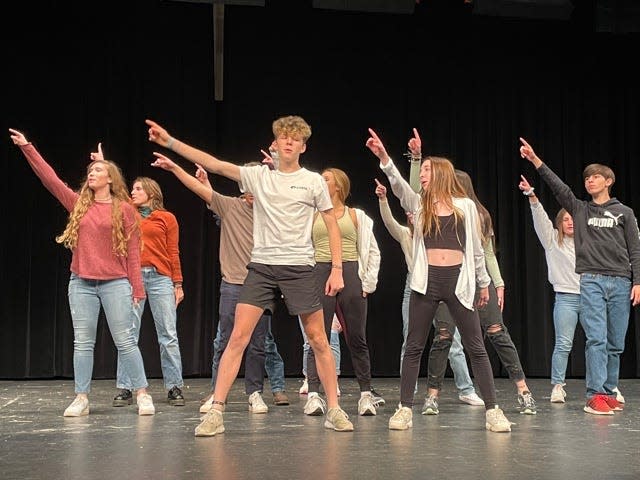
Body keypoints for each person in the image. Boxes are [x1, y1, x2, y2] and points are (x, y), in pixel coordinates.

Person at [147, 115, 353, 435]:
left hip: (299, 267)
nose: (288, 141)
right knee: (237, 338)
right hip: (262, 267)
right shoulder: (257, 176)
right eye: (283, 136)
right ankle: (216, 411)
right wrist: (171, 143)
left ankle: (335, 409)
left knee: (318, 340)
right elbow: (214, 164)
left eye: (294, 138)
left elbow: (330, 224)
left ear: (302, 146)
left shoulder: (313, 180)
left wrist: (337, 269)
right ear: (275, 142)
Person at [366, 128, 512, 432]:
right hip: (426, 282)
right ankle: (405, 408)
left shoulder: (466, 207)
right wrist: (384, 157)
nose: (422, 176)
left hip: (459, 282)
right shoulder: (420, 205)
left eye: (427, 171)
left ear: (442, 174)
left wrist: (484, 283)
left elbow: (475, 251)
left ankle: (493, 410)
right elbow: (398, 186)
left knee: (475, 347)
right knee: (414, 346)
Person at [10, 129, 155, 416]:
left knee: (125, 340)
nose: (91, 173)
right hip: (82, 284)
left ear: (110, 178)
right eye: (90, 170)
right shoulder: (79, 204)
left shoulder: (124, 209)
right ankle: (81, 397)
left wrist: (138, 290)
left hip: (115, 283)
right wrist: (28, 147)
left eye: (98, 169)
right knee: (83, 342)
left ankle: (142, 393)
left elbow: (134, 252)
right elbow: (49, 180)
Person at [149, 156, 290, 412]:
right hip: (233, 284)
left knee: (258, 343)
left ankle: (255, 393)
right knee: (224, 341)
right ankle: (217, 391)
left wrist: (277, 167)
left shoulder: (273, 211)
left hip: (262, 284)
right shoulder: (228, 206)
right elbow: (198, 188)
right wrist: (176, 168)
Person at [519, 138, 639, 415]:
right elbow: (558, 187)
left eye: (595, 177)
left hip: (621, 281)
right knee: (596, 338)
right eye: (587, 178)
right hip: (592, 280)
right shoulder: (581, 210)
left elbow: (635, 249)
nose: (590, 181)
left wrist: (637, 282)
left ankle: (609, 391)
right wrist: (536, 160)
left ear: (608, 181)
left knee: (615, 343)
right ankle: (594, 394)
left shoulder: (625, 213)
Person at [424, 169, 537, 415]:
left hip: (477, 283)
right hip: (448, 281)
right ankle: (432, 396)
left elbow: (487, 253)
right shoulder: (435, 211)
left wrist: (498, 284)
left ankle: (523, 390)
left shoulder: (479, 214)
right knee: (443, 336)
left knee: (497, 332)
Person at [374, 178, 483, 406]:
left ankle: (466, 388)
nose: (413, 217)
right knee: (411, 340)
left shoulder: (443, 227)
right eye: (411, 215)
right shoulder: (406, 235)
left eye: (417, 214)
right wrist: (383, 200)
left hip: (446, 280)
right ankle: (409, 391)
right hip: (415, 286)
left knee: (453, 341)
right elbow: (390, 222)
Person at [302, 167, 382, 417]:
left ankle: (366, 395)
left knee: (356, 338)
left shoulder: (356, 215)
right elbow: (301, 247)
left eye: (326, 179)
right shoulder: (311, 215)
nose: (320, 181)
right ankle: (314, 395)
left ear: (338, 186)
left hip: (350, 272)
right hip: (318, 272)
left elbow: (373, 252)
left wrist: (368, 283)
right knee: (316, 338)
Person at [109, 176, 185, 408]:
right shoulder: (126, 213)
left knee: (168, 334)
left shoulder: (166, 217)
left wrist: (178, 284)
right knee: (128, 334)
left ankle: (174, 386)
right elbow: (113, 195)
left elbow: (173, 251)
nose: (133, 192)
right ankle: (126, 386)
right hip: (132, 277)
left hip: (160, 277)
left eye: (138, 189)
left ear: (151, 192)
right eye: (132, 189)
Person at [298, 313, 342, 396]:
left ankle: (333, 382)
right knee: (309, 341)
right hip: (306, 303)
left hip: (329, 302)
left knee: (332, 339)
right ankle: (308, 380)